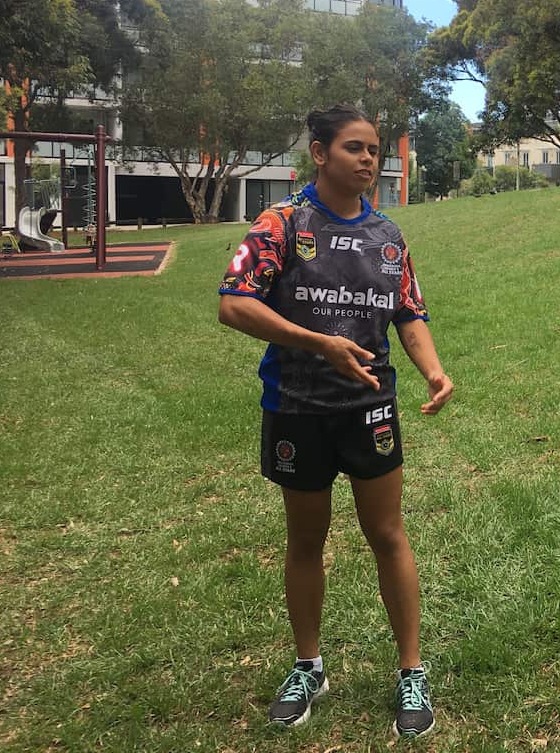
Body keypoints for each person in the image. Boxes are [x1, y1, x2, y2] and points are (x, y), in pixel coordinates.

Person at [218, 103, 454, 738]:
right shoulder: (281, 224)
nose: (368, 159)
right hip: (297, 406)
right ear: (320, 154)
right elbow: (234, 304)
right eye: (354, 147)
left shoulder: (389, 237)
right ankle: (308, 667)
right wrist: (318, 343)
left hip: (369, 407)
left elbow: (407, 311)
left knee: (388, 534)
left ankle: (411, 671)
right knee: (306, 540)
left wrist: (433, 370)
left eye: (373, 149)